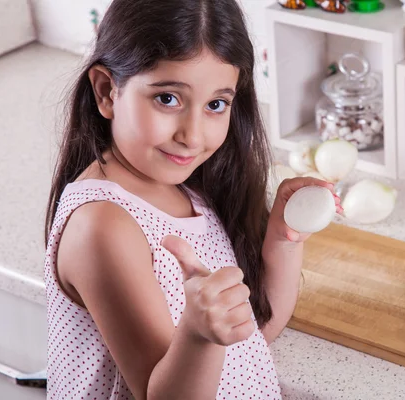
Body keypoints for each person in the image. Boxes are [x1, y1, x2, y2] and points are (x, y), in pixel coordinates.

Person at [43, 0, 342, 399]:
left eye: (215, 105)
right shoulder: (103, 225)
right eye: (167, 98)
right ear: (107, 92)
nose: (193, 135)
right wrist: (198, 336)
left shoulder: (188, 188)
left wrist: (283, 239)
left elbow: (253, 334)